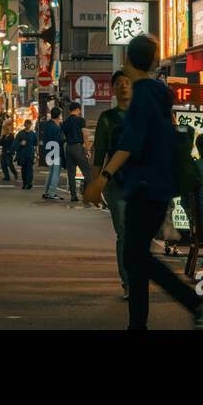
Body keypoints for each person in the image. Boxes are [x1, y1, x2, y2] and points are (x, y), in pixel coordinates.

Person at [83, 34, 203, 330]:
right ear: (154, 60)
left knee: (136, 257)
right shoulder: (158, 93)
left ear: (127, 59)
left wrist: (100, 181)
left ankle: (196, 304)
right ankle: (139, 324)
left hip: (144, 187)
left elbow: (131, 142)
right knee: (137, 257)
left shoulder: (143, 94)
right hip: (156, 186)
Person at [92, 69, 132, 298]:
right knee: (125, 234)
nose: (124, 86)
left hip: (143, 182)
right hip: (116, 183)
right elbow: (99, 154)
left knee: (140, 235)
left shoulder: (143, 116)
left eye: (128, 83)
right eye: (119, 83)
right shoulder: (107, 119)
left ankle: (137, 276)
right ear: (113, 89)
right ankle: (128, 282)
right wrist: (95, 185)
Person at [62, 101, 91, 202]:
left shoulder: (65, 122)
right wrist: (87, 149)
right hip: (78, 148)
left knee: (71, 173)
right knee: (88, 172)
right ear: (78, 109)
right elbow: (85, 135)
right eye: (79, 110)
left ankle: (73, 196)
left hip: (68, 148)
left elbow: (64, 135)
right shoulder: (81, 120)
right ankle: (85, 194)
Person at [41, 107, 66, 200]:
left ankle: (46, 191)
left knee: (51, 172)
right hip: (55, 151)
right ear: (58, 115)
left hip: (49, 151)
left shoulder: (48, 125)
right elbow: (58, 140)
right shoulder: (55, 127)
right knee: (56, 173)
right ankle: (52, 193)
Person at [15, 118, 37, 189]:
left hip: (30, 154)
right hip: (22, 154)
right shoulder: (20, 133)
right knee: (24, 169)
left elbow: (35, 144)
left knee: (30, 169)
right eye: (26, 124)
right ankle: (25, 183)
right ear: (24, 125)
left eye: (29, 124)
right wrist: (20, 143)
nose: (27, 125)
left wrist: (36, 154)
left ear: (30, 125)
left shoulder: (33, 134)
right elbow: (15, 143)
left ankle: (29, 183)